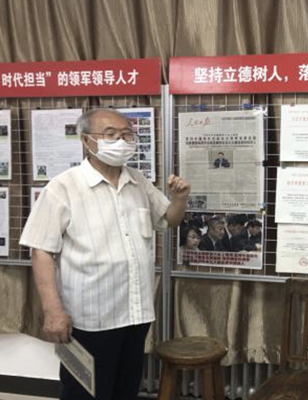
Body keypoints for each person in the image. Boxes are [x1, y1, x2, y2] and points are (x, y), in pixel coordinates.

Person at [19, 109, 191, 400]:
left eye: (127, 134)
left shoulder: (137, 181)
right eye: (110, 134)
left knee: (125, 389)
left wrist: (180, 199)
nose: (121, 141)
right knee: (83, 392)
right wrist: (53, 312)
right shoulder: (63, 187)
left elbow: (168, 220)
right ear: (86, 141)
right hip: (88, 319)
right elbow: (42, 250)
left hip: (134, 313)